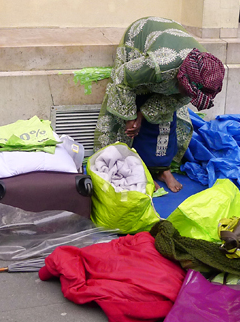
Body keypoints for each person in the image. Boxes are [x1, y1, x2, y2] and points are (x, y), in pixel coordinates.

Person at [93, 17, 225, 193]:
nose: (188, 96)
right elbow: (122, 79)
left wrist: (142, 114)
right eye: (187, 91)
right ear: (181, 77)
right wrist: (130, 116)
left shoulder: (205, 72)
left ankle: (162, 169)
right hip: (139, 41)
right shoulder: (158, 65)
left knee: (165, 120)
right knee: (128, 124)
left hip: (170, 57)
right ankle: (137, 169)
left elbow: (174, 101)